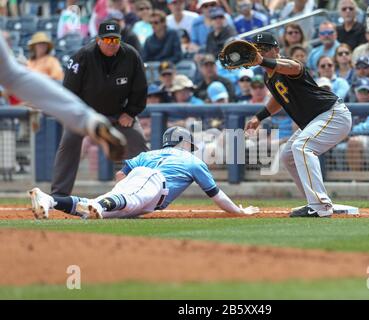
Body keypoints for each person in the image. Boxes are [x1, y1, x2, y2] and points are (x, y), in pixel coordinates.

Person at [29, 126, 260, 219]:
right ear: (184, 142)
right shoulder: (192, 160)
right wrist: (239, 212)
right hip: (153, 182)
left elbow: (120, 176)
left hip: (140, 185)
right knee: (113, 203)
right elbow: (216, 195)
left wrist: (117, 194)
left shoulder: (149, 154)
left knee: (90, 209)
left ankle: (49, 200)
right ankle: (103, 204)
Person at [244, 32, 352, 218]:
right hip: (317, 119)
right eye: (257, 50)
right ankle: (314, 201)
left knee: (301, 147)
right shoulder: (268, 77)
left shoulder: (288, 65)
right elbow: (279, 99)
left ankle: (320, 205)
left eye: (264, 49)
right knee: (288, 156)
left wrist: (262, 61)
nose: (259, 53)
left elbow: (294, 67)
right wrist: (259, 117)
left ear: (276, 49)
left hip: (332, 114)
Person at [51, 20, 149, 196]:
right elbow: (69, 91)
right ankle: (59, 194)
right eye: (108, 40)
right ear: (98, 40)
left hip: (118, 113)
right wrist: (76, 116)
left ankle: (148, 190)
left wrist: (130, 112)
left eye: (115, 40)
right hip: (85, 114)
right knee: (68, 144)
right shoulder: (82, 57)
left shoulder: (131, 56)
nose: (112, 44)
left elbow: (140, 88)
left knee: (138, 141)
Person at [0, 32, 126, 162]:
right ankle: (89, 121)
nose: (40, 46)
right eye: (38, 44)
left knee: (15, 79)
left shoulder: (51, 61)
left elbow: (58, 79)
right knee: (15, 77)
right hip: (32, 99)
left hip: (33, 103)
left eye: (43, 44)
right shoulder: (30, 62)